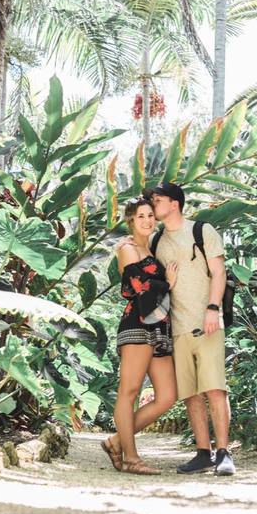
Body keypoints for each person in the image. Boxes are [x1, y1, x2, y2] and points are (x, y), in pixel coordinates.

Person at [149, 182, 236, 476]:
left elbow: (219, 272)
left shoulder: (202, 231)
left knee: (214, 388)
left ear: (174, 204)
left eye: (158, 200)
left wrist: (213, 308)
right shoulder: (156, 241)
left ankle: (223, 453)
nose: (153, 205)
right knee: (190, 394)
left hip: (206, 323)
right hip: (176, 328)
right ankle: (202, 453)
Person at [101, 196, 178, 475]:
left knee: (167, 396)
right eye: (141, 216)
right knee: (129, 391)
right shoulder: (127, 248)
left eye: (150, 216)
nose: (147, 220)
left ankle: (116, 442)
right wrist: (167, 283)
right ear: (131, 220)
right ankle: (131, 459)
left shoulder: (152, 249)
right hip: (137, 325)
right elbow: (138, 286)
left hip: (158, 327)